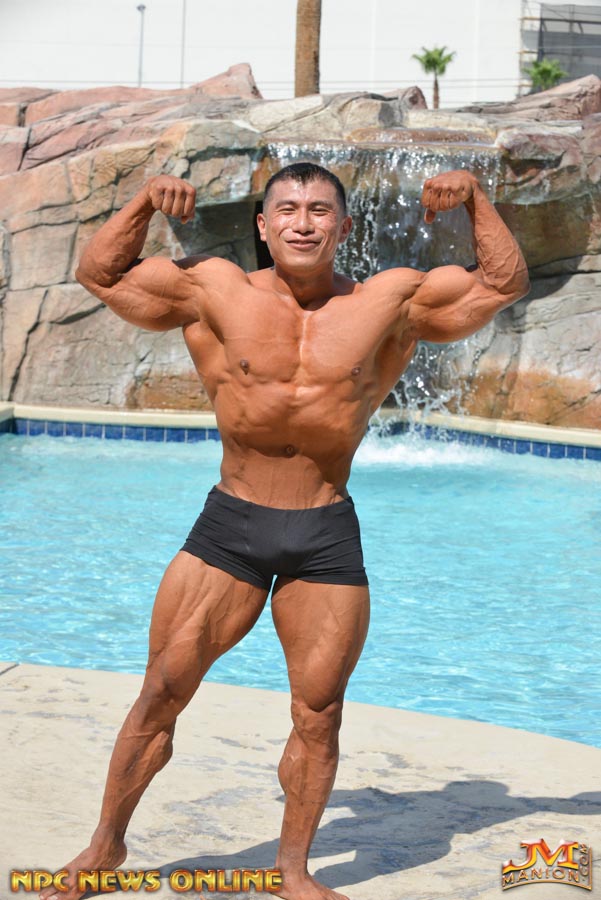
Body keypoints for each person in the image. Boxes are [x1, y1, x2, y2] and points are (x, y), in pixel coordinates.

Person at [40, 162, 529, 900]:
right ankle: (104, 846)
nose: (304, 223)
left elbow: (502, 283)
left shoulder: (390, 299)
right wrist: (143, 199)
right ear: (264, 226)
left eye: (320, 210)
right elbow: (99, 273)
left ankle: (291, 870)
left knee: (318, 714)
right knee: (162, 691)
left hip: (324, 532)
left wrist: (475, 200)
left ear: (344, 226)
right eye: (289, 210)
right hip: (230, 526)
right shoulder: (214, 288)